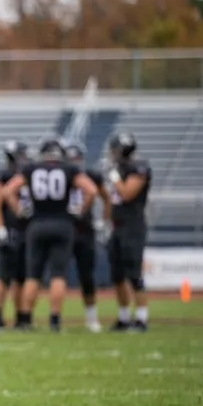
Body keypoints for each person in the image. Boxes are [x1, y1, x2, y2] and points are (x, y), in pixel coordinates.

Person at [2, 137, 98, 332]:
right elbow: (91, 190)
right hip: (63, 223)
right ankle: (54, 320)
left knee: (32, 276)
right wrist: (80, 210)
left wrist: (20, 211)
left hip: (36, 223)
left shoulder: (31, 169)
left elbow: (8, 191)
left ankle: (26, 320)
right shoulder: (69, 169)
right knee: (58, 275)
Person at [103, 132, 153, 332]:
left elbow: (126, 194)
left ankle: (141, 318)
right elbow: (111, 200)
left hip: (132, 226)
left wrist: (115, 178)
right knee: (117, 275)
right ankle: (123, 318)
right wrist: (105, 222)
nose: (111, 154)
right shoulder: (120, 168)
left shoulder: (138, 168)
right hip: (117, 226)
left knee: (133, 273)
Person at [63, 141, 110, 333]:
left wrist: (103, 222)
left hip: (84, 231)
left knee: (87, 276)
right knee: (57, 275)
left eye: (76, 159)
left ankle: (91, 318)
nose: (74, 163)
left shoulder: (90, 176)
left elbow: (106, 198)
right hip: (63, 230)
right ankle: (55, 318)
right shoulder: (60, 174)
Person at [0, 140, 30, 331]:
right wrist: (0, 230)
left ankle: (21, 317)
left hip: (25, 230)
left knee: (21, 277)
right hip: (9, 229)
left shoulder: (26, 174)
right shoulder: (0, 175)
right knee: (4, 276)